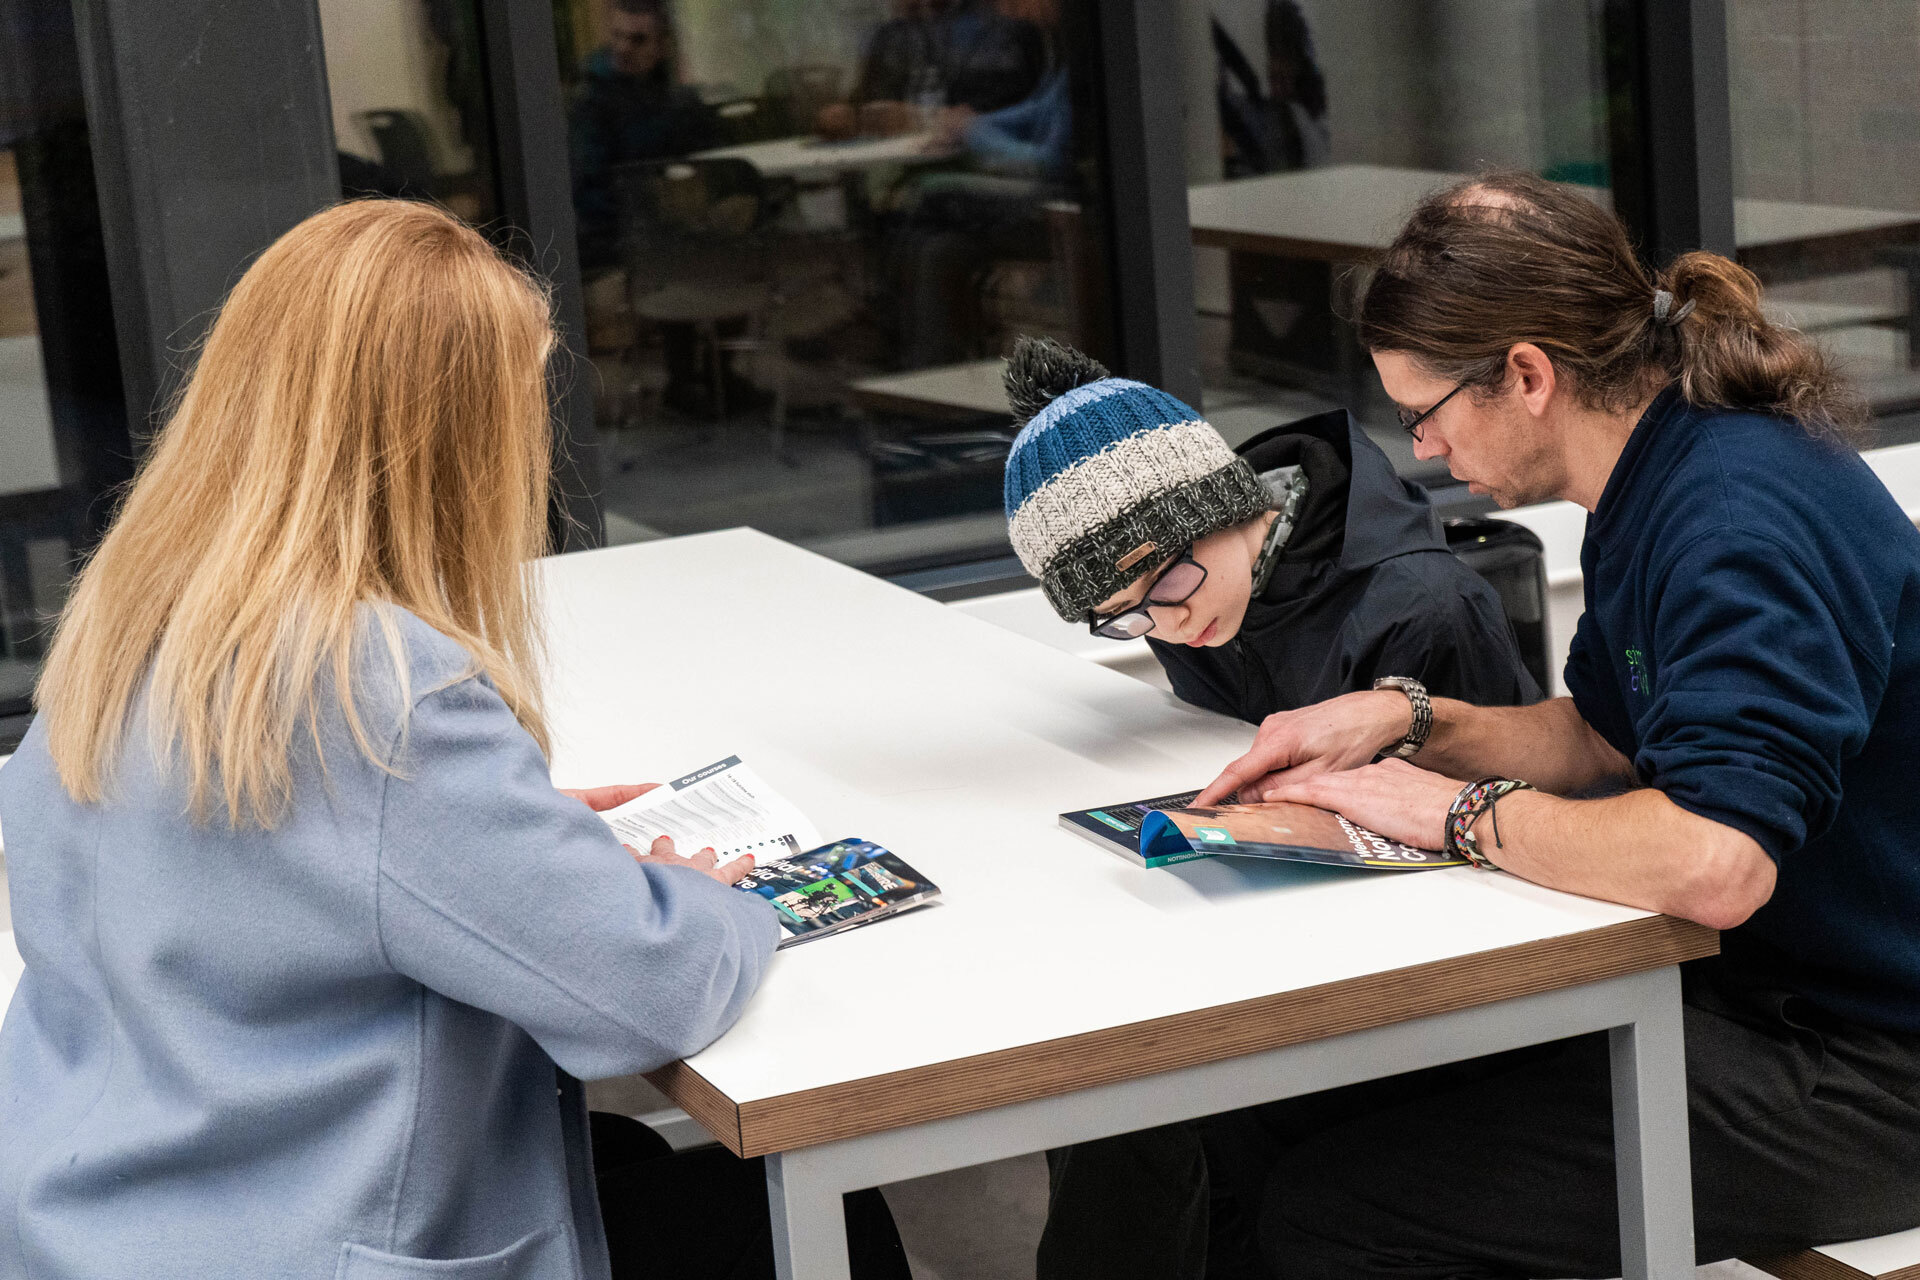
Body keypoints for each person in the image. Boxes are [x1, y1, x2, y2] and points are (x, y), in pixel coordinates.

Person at [0, 200, 907, 1280]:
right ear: (448, 443)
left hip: (97, 1224)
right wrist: (711, 895)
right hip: (323, 1242)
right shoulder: (379, 687)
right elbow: (643, 992)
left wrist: (504, 842)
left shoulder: (128, 623)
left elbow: (251, 862)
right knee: (813, 1213)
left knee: (658, 1174)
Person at [1158, 171, 1920, 1277]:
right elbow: (1612, 740)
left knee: (1345, 1214)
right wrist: (1406, 720)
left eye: (1423, 412)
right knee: (1265, 1111)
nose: (1419, 449)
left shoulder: (1735, 520)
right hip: (1762, 991)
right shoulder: (1655, 474)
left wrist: (1458, 812)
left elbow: (1716, 862)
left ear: (1525, 374)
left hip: (1871, 1065)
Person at [999, 334, 1541, 1279]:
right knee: (1104, 1093)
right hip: (1285, 932)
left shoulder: (1420, 609)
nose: (1167, 627)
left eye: (1164, 587)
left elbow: (1496, 857)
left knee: (1138, 1106)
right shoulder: (1212, 592)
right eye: (1125, 618)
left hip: (1436, 1001)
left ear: (1223, 507)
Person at [569, 0, 716, 271]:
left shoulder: (678, 101)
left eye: (638, 40)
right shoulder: (592, 102)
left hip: (678, 232)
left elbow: (708, 166)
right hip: (618, 243)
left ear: (661, 46)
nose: (624, 48)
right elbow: (590, 191)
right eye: (617, 36)